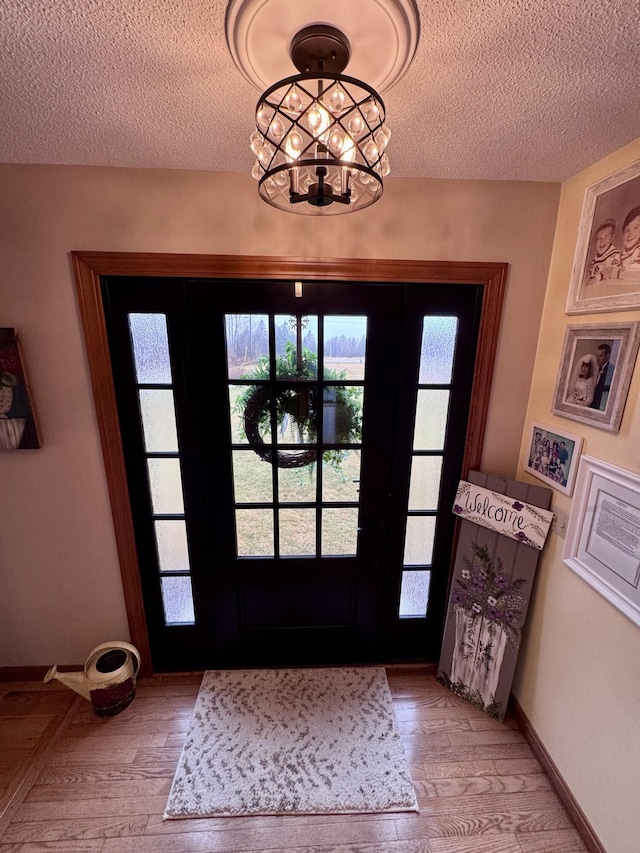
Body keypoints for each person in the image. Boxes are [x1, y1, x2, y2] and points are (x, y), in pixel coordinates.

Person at [589, 343, 615, 410]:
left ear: (607, 356)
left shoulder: (612, 370)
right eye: (597, 356)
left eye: (600, 356)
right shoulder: (595, 369)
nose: (598, 358)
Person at [619, 206, 640, 281]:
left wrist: (615, 273)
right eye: (627, 230)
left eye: (636, 228)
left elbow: (635, 272)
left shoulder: (638, 251)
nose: (630, 234)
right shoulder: (620, 255)